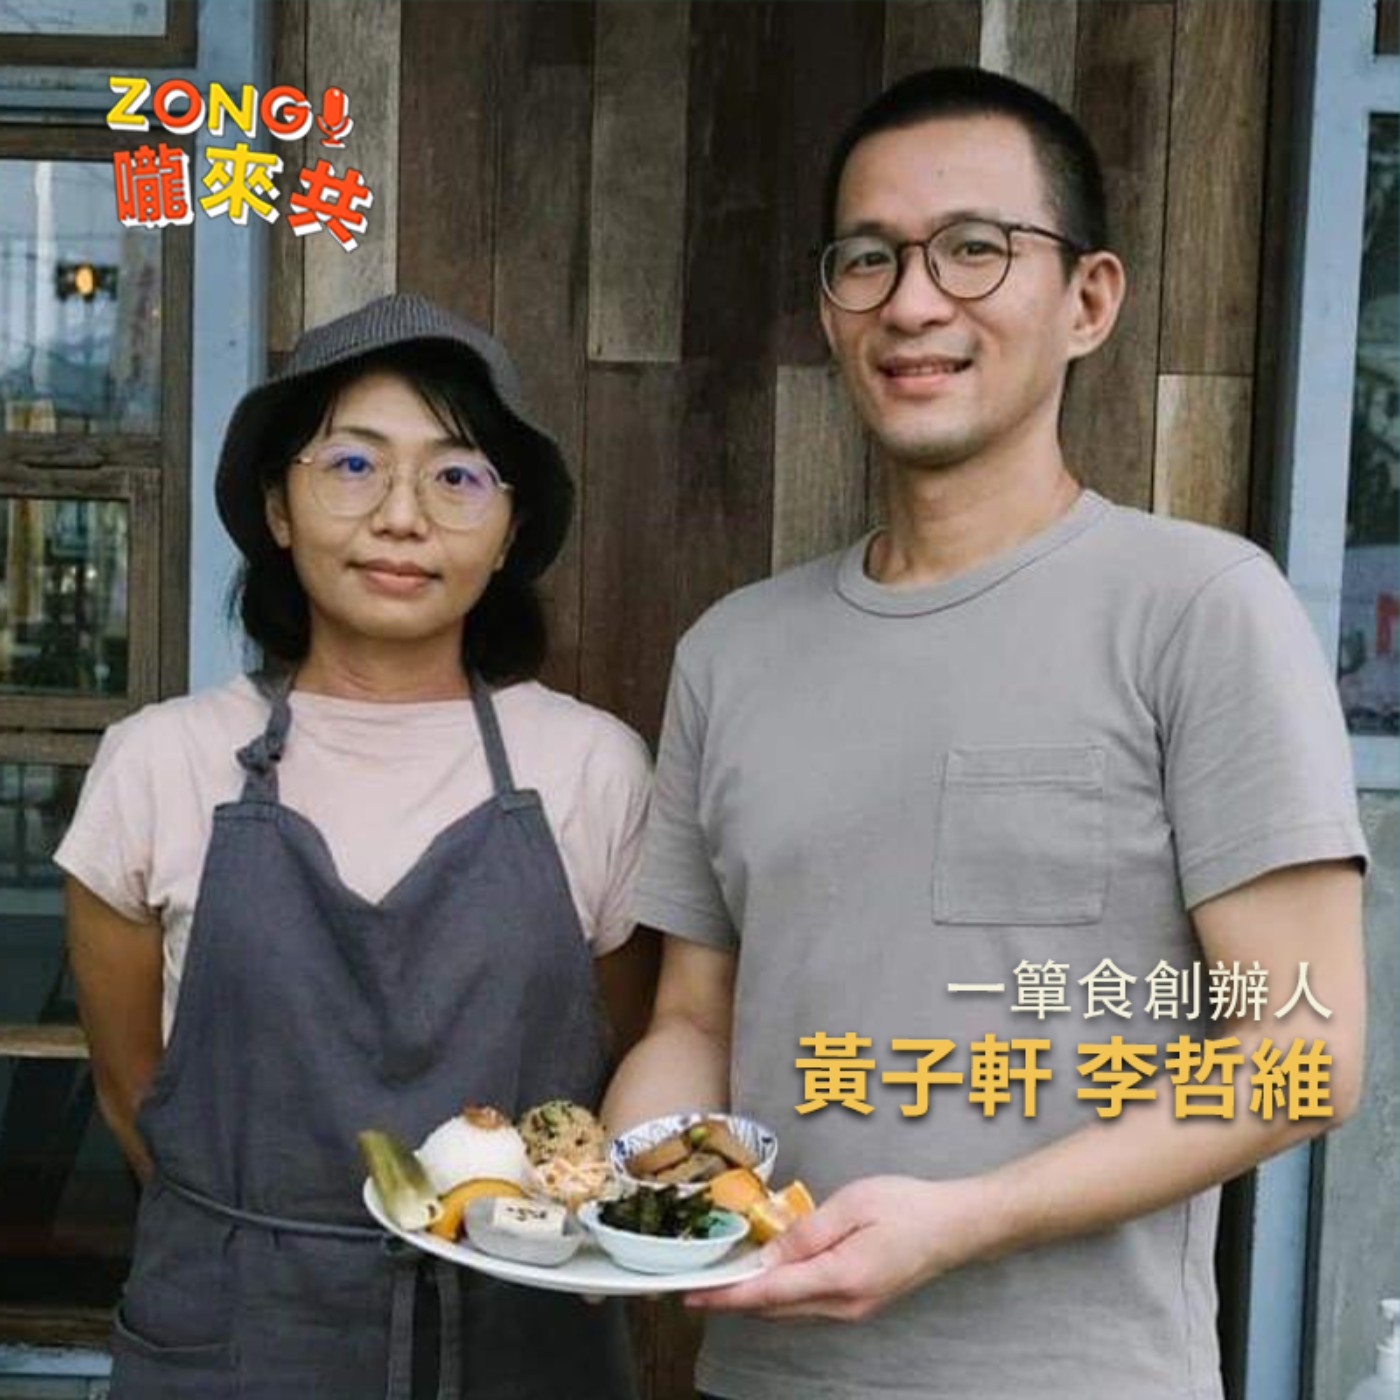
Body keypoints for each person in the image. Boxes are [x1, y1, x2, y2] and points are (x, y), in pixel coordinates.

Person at [602, 66, 1369, 1400]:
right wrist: (620, 1202)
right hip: (758, 1377)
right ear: (830, 310)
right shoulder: (731, 651)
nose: (912, 301)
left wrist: (965, 1219)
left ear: (1088, 299)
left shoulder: (1199, 607)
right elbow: (690, 1020)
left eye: (973, 248)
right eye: (868, 258)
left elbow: (1301, 1054)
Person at [60, 293, 654, 1399]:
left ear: (509, 529)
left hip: (525, 1340)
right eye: (352, 465)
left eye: (456, 476)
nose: (401, 516)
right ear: (277, 507)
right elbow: (133, 1091)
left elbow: (617, 1061)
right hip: (236, 1341)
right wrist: (268, 1239)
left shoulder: (594, 767)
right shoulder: (158, 763)